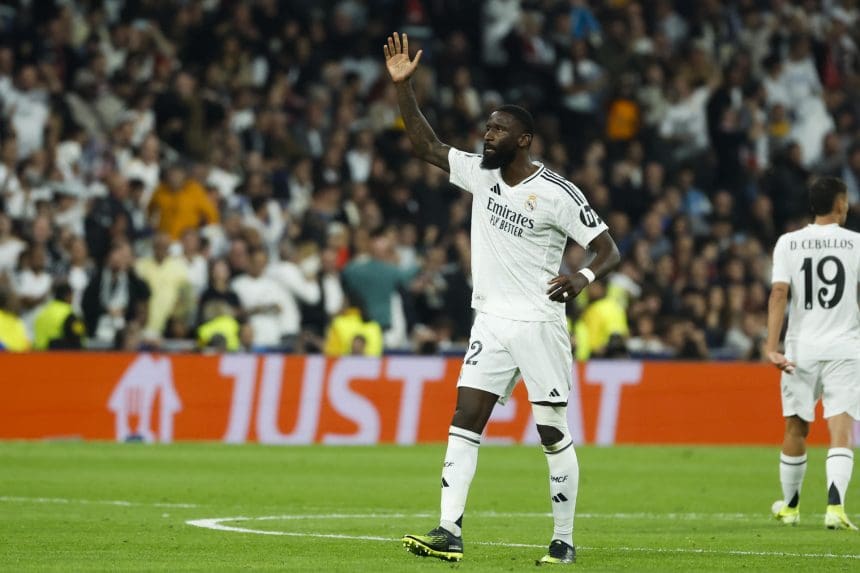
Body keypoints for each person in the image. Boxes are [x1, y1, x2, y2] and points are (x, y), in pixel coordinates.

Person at [384, 32, 620, 564]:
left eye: (499, 129)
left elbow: (607, 249)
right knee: (465, 416)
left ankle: (563, 541)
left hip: (539, 321)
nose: (488, 134)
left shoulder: (558, 193)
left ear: (525, 139)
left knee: (552, 431)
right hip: (489, 320)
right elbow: (425, 145)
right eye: (487, 126)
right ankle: (448, 529)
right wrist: (404, 88)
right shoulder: (479, 172)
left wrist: (580, 278)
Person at [766, 177, 860, 530]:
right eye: (846, 200)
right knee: (840, 427)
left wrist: (771, 346)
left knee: (796, 427)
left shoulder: (789, 243)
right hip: (845, 347)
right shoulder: (856, 243)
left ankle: (790, 507)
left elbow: (778, 294)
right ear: (838, 204)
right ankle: (835, 508)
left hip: (800, 349)